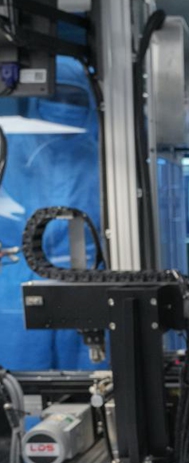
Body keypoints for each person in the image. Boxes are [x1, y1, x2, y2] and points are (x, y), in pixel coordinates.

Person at [0, 56, 105, 370]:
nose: (63, 106)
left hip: (90, 289)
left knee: (98, 394)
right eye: (54, 96)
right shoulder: (10, 150)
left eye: (73, 97)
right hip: (16, 293)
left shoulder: (109, 159)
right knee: (21, 399)